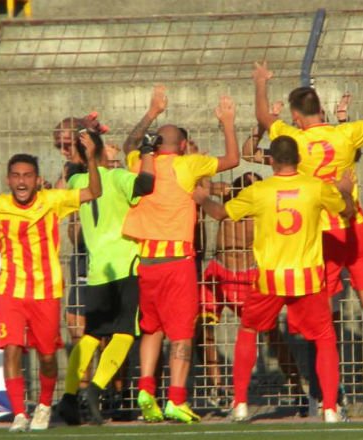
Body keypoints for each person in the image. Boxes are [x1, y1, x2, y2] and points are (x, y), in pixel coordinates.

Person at [253, 55, 363, 403]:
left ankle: (330, 386)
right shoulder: (346, 133)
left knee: (326, 310)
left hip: (320, 232)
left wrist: (260, 82)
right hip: (354, 225)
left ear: (296, 117)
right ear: (321, 110)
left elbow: (262, 116)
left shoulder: (292, 138)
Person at [193, 135, 355, 423]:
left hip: (269, 278)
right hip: (307, 277)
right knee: (324, 338)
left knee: (248, 330)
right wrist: (344, 191)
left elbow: (220, 213)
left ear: (271, 161)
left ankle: (240, 405)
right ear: (299, 160)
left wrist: (203, 198)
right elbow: (348, 212)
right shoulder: (315, 187)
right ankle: (330, 408)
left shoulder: (259, 191)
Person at [120, 85, 240, 423]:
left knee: (152, 329)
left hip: (147, 260)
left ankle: (146, 390)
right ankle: (176, 398)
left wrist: (151, 112)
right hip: (177, 261)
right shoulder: (187, 165)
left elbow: (129, 145)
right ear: (183, 145)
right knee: (182, 332)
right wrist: (227, 123)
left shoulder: (139, 164)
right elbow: (232, 160)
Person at [0, 144, 102, 432]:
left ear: (37, 179)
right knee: (11, 349)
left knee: (47, 356)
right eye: (16, 175)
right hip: (10, 291)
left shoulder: (53, 201)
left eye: (27, 175)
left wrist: (91, 158)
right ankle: (19, 413)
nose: (21, 181)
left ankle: (43, 406)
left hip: (46, 292)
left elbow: (94, 192)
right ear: (8, 180)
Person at [57, 127, 156, 425]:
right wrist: (147, 150)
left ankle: (69, 396)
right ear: (102, 151)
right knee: (124, 332)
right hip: (124, 265)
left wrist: (87, 151)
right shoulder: (116, 177)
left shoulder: (77, 181)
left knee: (91, 334)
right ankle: (97, 387)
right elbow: (146, 184)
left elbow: (71, 170)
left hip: (96, 269)